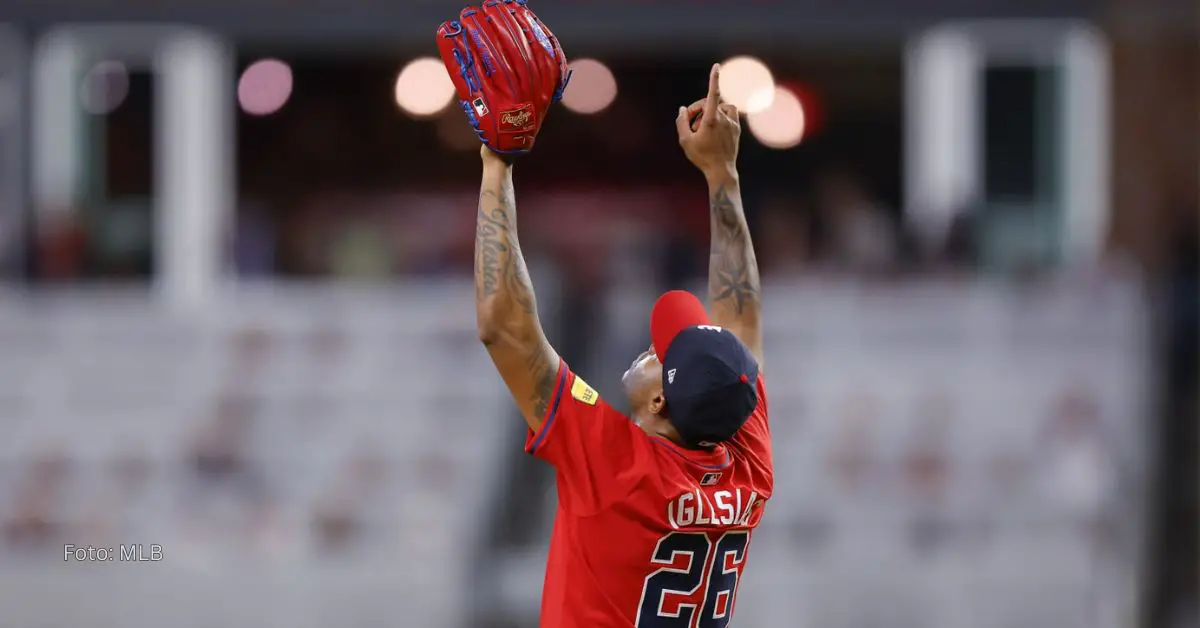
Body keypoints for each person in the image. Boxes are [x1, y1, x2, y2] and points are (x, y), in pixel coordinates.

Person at [473, 63, 772, 627]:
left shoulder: (620, 467)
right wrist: (720, 175)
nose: (653, 349)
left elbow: (503, 327)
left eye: (664, 355)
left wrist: (497, 162)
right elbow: (740, 325)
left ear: (660, 404)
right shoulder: (743, 464)